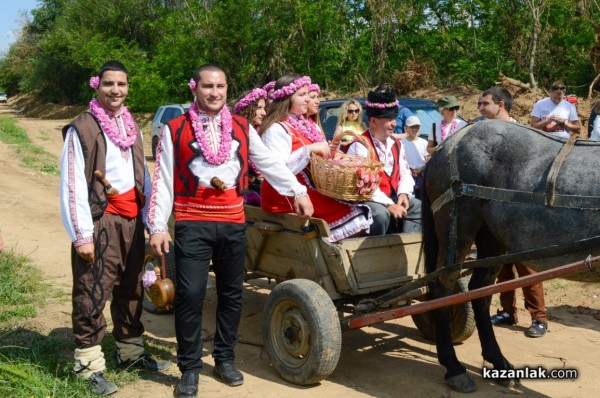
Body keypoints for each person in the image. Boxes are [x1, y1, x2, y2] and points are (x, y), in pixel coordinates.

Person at [147, 64, 314, 398]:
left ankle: (224, 359)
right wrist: (155, 225)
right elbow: (162, 180)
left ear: (227, 88)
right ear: (195, 88)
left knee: (232, 294)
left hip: (233, 222)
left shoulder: (241, 126)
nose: (215, 92)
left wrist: (297, 191)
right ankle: (190, 368)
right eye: (208, 86)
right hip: (192, 222)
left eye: (221, 86)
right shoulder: (174, 128)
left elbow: (268, 162)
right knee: (192, 294)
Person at [60, 60, 168, 396]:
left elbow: (145, 178)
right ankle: (88, 366)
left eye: (121, 84)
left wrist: (154, 223)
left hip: (132, 220)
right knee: (92, 291)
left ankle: (131, 354)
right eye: (109, 84)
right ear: (97, 85)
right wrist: (82, 235)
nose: (116, 90)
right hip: (100, 219)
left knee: (131, 288)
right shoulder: (83, 128)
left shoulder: (131, 125)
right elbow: (73, 184)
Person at [259, 74, 372, 242]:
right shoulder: (276, 129)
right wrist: (309, 149)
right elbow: (279, 170)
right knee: (352, 215)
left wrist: (328, 152)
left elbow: (314, 160)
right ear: (287, 98)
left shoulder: (302, 124)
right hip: (285, 195)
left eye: (307, 95)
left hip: (309, 188)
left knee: (357, 208)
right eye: (302, 95)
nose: (307, 99)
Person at [477, 86, 549, 338]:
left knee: (527, 267)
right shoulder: (482, 134)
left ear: (501, 105)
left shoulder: (524, 134)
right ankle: (508, 311)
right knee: (502, 266)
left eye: (484, 104)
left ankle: (539, 317)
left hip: (521, 212)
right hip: (494, 210)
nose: (480, 108)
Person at [345, 86, 421, 235]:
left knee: (417, 206)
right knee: (379, 214)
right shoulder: (359, 145)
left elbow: (405, 173)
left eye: (394, 119)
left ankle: (408, 249)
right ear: (373, 121)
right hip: (367, 199)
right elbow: (365, 186)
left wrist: (403, 194)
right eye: (389, 120)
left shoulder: (397, 143)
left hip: (391, 197)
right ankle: (378, 254)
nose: (394, 124)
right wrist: (388, 204)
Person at [233, 87, 269, 206]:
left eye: (264, 108)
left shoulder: (262, 131)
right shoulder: (235, 133)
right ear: (246, 108)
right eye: (259, 108)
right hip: (243, 196)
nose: (264, 113)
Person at [400, 115, 428, 199]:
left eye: (417, 127)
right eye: (412, 127)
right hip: (407, 176)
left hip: (423, 175)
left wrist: (422, 169)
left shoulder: (423, 142)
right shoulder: (401, 143)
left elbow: (427, 158)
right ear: (406, 128)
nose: (415, 129)